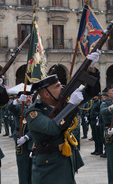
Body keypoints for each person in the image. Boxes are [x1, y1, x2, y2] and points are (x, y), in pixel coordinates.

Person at [25, 50, 101, 183]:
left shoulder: (63, 102)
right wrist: (71, 105)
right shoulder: (34, 112)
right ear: (47, 94)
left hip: (65, 160)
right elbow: (52, 128)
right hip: (48, 167)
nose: (62, 87)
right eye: (58, 86)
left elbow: (92, 92)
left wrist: (91, 69)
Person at [8, 91, 34, 184]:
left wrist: (27, 136)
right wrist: (18, 101)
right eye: (26, 97)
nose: (29, 98)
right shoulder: (19, 107)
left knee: (33, 170)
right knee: (23, 169)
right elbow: (10, 107)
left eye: (30, 97)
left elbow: (37, 127)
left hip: (32, 139)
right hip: (20, 139)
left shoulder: (35, 108)